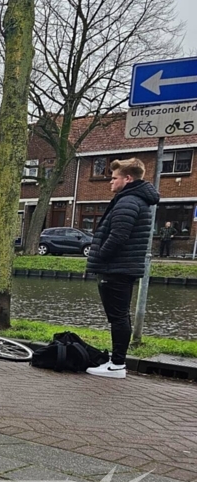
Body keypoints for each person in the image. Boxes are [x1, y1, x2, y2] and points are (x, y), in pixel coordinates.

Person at [85, 157, 160, 379]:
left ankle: (117, 364)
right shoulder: (137, 200)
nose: (110, 182)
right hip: (123, 267)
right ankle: (116, 362)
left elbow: (118, 236)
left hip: (116, 268)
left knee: (117, 317)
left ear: (127, 179)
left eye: (114, 178)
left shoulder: (128, 201)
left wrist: (100, 255)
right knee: (120, 316)